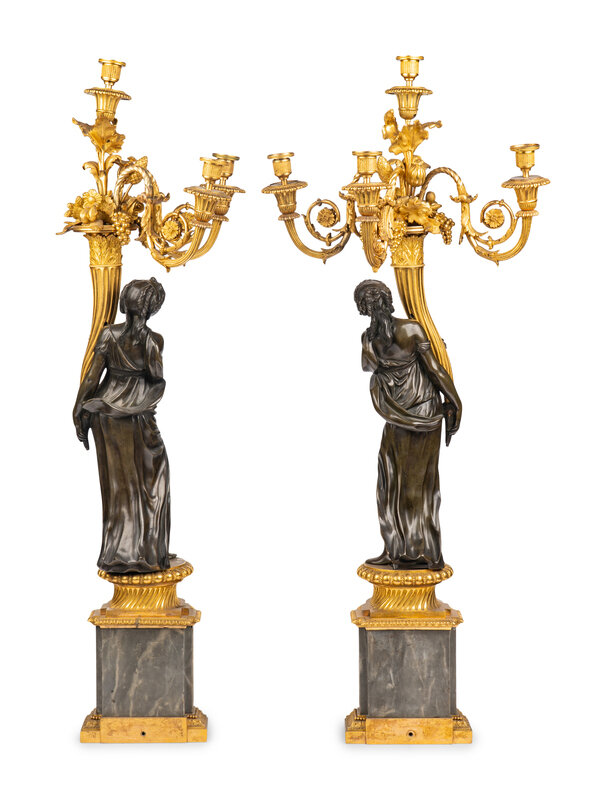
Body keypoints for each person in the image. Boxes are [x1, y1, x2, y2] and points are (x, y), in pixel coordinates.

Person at [354, 279, 462, 570]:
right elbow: (369, 367)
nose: (370, 306)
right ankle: (394, 549)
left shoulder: (409, 329)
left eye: (372, 301)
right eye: (366, 303)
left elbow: (434, 368)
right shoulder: (376, 337)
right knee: (390, 478)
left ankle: (420, 553)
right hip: (397, 414)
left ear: (384, 302)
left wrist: (454, 400)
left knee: (415, 482)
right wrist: (370, 342)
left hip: (421, 411)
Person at [73, 278, 171, 573]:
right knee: (152, 479)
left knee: (118, 486)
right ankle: (145, 554)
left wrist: (79, 406)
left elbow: (92, 377)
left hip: (105, 414)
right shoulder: (153, 341)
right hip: (132, 418)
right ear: (152, 308)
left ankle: (121, 553)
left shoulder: (108, 334)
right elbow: (156, 382)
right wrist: (136, 403)